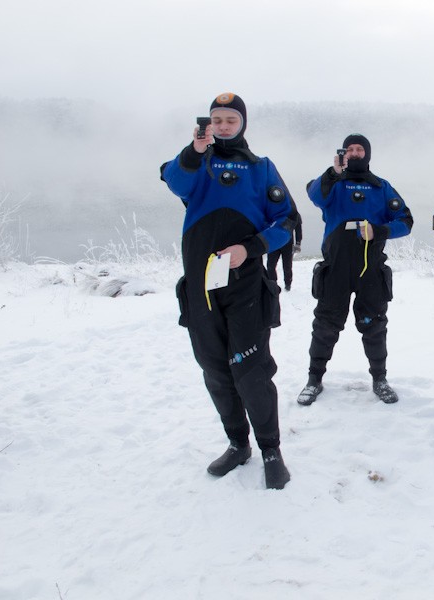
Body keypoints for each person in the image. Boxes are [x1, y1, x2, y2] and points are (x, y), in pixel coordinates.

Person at [160, 92, 297, 489]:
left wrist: (249, 248)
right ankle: (239, 445)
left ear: (242, 124)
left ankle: (271, 449)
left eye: (229, 120)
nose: (222, 126)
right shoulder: (195, 162)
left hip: (246, 286)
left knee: (250, 371)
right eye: (216, 119)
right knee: (216, 371)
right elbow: (173, 181)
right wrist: (194, 149)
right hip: (201, 287)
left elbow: (285, 219)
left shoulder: (260, 168)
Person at [297, 134, 413, 406]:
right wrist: (334, 172)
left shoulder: (382, 187)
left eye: (360, 148)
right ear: (343, 154)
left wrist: (380, 230)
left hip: (370, 269)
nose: (355, 152)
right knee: (325, 325)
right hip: (335, 267)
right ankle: (314, 379)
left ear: (368, 153)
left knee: (374, 326)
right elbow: (314, 195)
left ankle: (380, 379)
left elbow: (405, 221)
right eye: (350, 149)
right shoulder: (332, 184)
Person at [267, 202, 302, 291]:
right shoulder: (272, 212)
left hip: (287, 244)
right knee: (270, 265)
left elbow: (298, 229)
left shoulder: (294, 214)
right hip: (274, 244)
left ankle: (288, 284)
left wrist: (298, 243)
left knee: (287, 266)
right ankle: (272, 283)